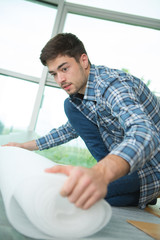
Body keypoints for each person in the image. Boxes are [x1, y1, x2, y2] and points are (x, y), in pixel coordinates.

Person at [5, 33, 160, 210]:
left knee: (81, 195)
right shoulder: (80, 96)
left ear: (83, 61)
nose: (60, 80)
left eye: (64, 69)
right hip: (124, 163)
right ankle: (129, 188)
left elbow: (145, 133)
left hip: (151, 166)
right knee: (71, 108)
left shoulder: (113, 86)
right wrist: (26, 146)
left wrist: (100, 174)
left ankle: (124, 184)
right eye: (54, 74)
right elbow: (70, 129)